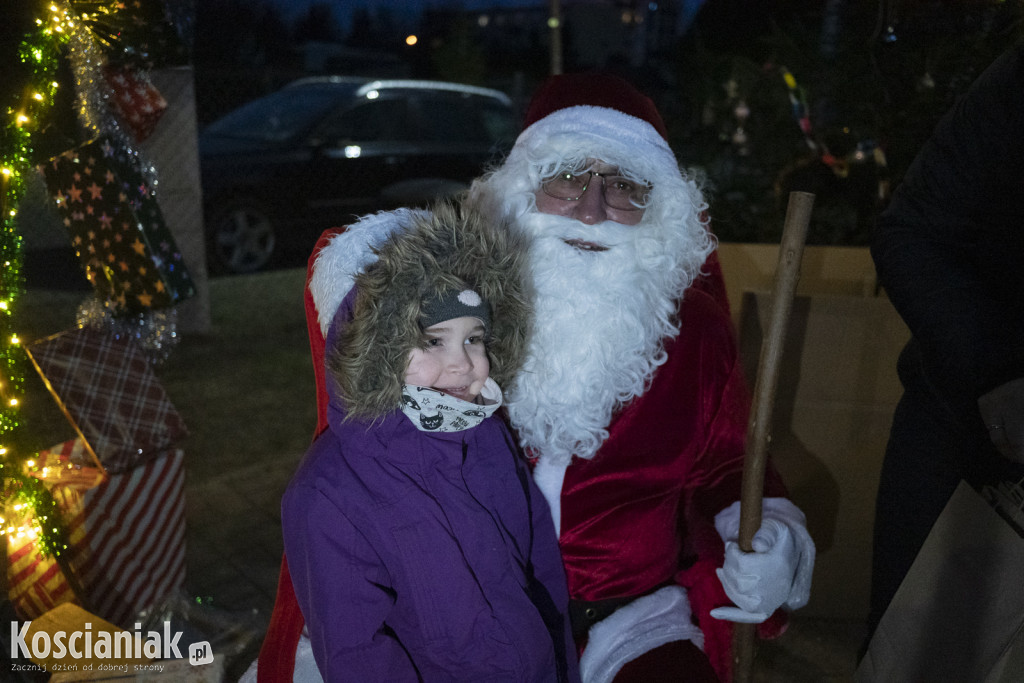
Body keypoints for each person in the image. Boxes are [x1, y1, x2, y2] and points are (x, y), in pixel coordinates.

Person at [256, 72, 815, 683]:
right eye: (569, 175)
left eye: (625, 186)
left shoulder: (695, 331)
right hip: (464, 624)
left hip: (630, 622)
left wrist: (766, 533)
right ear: (522, 186)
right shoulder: (458, 316)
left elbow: (726, 466)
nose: (594, 209)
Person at [275, 201, 580, 682]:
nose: (463, 363)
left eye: (474, 338)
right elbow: (359, 657)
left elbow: (540, 572)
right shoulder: (329, 494)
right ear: (377, 351)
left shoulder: (488, 438)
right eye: (434, 341)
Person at [866, 43, 1024, 642]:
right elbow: (911, 233)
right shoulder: (1015, 83)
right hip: (971, 437)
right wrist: (1000, 371)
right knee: (915, 652)